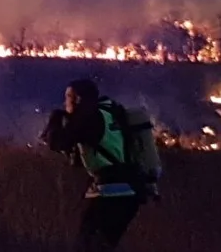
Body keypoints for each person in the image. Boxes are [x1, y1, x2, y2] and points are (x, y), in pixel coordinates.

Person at [41, 79, 144, 252]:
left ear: (78, 99)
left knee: (87, 244)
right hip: (128, 190)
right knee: (100, 244)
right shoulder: (108, 113)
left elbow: (58, 141)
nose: (65, 103)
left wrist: (55, 119)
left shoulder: (88, 118)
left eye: (68, 97)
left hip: (112, 192)